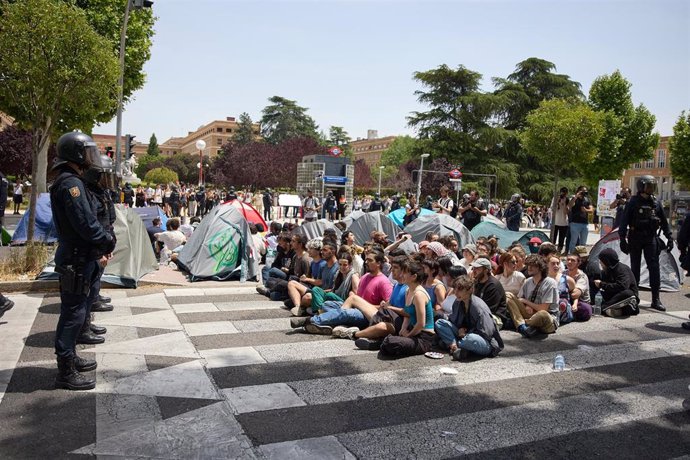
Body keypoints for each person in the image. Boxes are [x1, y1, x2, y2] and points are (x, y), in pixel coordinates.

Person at [50, 131, 116, 391]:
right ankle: (65, 371)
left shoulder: (70, 181)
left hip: (80, 257)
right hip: (76, 258)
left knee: (77, 312)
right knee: (72, 314)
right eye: (87, 152)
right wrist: (105, 241)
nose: (91, 158)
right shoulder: (70, 184)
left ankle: (71, 357)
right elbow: (85, 224)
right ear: (76, 154)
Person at [77, 153, 117, 345]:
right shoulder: (88, 194)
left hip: (100, 246)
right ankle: (82, 329)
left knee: (92, 289)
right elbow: (91, 225)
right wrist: (101, 249)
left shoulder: (100, 192)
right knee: (86, 292)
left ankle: (86, 324)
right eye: (104, 176)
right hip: (93, 249)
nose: (107, 180)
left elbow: (107, 220)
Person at [618, 175, 673, 311]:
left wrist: (669, 237)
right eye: (649, 186)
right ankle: (634, 298)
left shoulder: (655, 203)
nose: (651, 189)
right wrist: (622, 239)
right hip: (635, 237)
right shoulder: (632, 202)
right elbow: (624, 222)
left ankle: (656, 299)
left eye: (653, 186)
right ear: (641, 186)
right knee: (635, 268)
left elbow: (664, 223)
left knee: (654, 268)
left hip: (650, 238)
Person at [434, 275, 504, 360]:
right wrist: (460, 328)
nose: (456, 293)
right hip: (463, 335)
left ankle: (453, 344)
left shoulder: (478, 307)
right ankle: (456, 346)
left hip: (484, 341)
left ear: (470, 290)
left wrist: (465, 334)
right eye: (455, 289)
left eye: (460, 289)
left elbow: (487, 333)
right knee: (440, 323)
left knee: (470, 339)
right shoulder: (458, 302)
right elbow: (453, 320)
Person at [378, 260, 435, 358]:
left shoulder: (419, 294)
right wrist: (403, 329)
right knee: (389, 340)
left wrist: (408, 336)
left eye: (405, 273)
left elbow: (421, 324)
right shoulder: (408, 290)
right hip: (413, 331)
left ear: (414, 277)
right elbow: (407, 314)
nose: (402, 275)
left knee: (390, 342)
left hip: (424, 337)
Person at [505, 254, 559, 338]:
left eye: (533, 266)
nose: (529, 268)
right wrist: (526, 306)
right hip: (531, 313)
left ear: (540, 267)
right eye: (528, 265)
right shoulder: (527, 281)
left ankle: (519, 322)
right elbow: (520, 299)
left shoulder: (550, 283)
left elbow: (543, 309)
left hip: (548, 318)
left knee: (542, 314)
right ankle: (522, 326)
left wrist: (527, 302)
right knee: (508, 295)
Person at [594, 248, 639, 316]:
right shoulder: (606, 271)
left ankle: (603, 308)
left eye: (601, 261)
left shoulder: (622, 269)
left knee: (628, 293)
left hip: (625, 297)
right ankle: (617, 311)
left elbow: (622, 286)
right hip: (613, 296)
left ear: (606, 261)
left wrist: (601, 284)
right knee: (596, 294)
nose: (600, 263)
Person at [470, 257, 509, 329]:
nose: (474, 271)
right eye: (473, 268)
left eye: (477, 269)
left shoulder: (493, 285)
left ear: (486, 270)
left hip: (494, 317)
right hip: (481, 313)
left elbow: (488, 310)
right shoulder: (477, 282)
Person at [567, 186, 593, 252]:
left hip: (585, 224)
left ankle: (581, 257)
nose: (584, 192)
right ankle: (572, 256)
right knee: (573, 241)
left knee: (583, 243)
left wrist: (585, 210)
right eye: (583, 191)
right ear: (578, 191)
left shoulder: (587, 199)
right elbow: (569, 206)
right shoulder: (574, 198)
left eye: (585, 191)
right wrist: (576, 197)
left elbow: (591, 210)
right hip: (575, 223)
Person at [550, 187, 569, 253]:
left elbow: (567, 211)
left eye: (565, 193)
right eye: (562, 192)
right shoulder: (555, 198)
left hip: (564, 222)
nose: (563, 194)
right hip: (555, 222)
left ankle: (559, 250)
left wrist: (564, 204)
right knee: (553, 237)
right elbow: (552, 208)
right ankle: (552, 250)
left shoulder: (567, 199)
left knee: (562, 238)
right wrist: (557, 202)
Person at [0, 170, 7, 245]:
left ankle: (2, 240)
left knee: (1, 223)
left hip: (0, 206)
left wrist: (1, 207)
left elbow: (3, 195)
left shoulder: (2, 178)